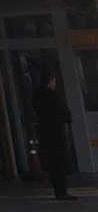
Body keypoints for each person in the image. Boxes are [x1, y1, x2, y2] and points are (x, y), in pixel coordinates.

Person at [32, 71, 76, 200]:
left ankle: (58, 189)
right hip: (57, 132)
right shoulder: (54, 96)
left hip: (45, 132)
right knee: (60, 162)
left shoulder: (36, 96)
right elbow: (65, 113)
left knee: (52, 162)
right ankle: (62, 191)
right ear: (51, 81)